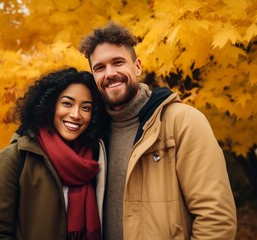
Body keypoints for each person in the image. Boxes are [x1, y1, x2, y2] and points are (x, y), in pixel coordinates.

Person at [79, 23, 237, 239]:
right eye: (99, 68)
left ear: (137, 67)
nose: (110, 73)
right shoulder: (93, 133)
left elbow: (216, 218)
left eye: (118, 62)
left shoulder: (183, 121)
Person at [0, 68, 106, 240]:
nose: (76, 115)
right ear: (50, 105)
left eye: (86, 108)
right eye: (67, 103)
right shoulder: (15, 157)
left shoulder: (95, 159)